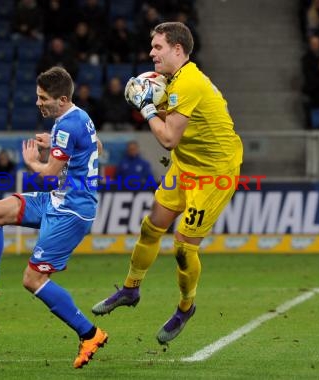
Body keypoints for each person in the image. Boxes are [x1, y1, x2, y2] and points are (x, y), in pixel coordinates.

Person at [92, 22, 243, 344]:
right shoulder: (173, 80)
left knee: (183, 247)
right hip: (186, 166)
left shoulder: (188, 83)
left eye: (158, 47)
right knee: (151, 227)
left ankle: (185, 307)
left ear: (178, 49)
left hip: (214, 175)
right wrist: (149, 97)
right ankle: (130, 290)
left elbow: (170, 139)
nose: (151, 53)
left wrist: (147, 108)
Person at [0, 67, 107, 369]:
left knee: (33, 279)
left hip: (71, 211)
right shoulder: (79, 116)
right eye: (37, 97)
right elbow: (97, 147)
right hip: (57, 201)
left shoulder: (66, 126)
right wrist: (56, 144)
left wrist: (34, 161)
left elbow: (48, 175)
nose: (38, 103)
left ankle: (90, 333)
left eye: (43, 98)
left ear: (61, 99)